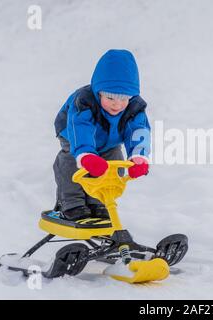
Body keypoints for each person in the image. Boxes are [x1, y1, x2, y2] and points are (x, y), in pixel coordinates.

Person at [53, 49, 150, 221]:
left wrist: (138, 157)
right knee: (71, 162)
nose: (117, 105)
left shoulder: (134, 108)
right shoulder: (84, 101)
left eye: (123, 99)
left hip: (109, 140)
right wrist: (85, 155)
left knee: (113, 163)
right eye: (110, 98)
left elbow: (139, 131)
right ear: (99, 92)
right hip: (72, 135)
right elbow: (80, 127)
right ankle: (71, 202)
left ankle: (98, 201)